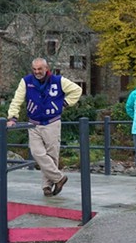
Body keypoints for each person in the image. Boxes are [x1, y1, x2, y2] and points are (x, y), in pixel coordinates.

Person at [7, 58, 82, 197]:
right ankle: (59, 178)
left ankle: (47, 186)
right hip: (34, 123)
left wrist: (64, 103)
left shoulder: (59, 80)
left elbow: (77, 90)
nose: (37, 72)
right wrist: (12, 117)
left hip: (52, 122)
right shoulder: (26, 81)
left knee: (52, 155)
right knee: (37, 153)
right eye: (34, 69)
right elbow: (17, 99)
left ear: (46, 68)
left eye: (40, 69)